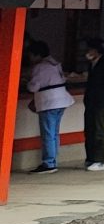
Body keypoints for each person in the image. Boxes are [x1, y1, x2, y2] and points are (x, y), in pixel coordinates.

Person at [24, 40, 73, 173]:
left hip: (49, 102)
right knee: (54, 133)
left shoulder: (39, 67)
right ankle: (53, 160)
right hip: (61, 100)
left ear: (36, 54)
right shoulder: (54, 63)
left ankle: (48, 163)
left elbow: (33, 87)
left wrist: (27, 83)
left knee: (47, 133)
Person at [80, 38, 104, 171]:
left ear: (96, 51)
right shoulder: (92, 64)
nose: (87, 53)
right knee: (89, 129)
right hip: (91, 100)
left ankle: (101, 160)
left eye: (89, 50)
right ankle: (90, 158)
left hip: (102, 100)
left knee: (99, 130)